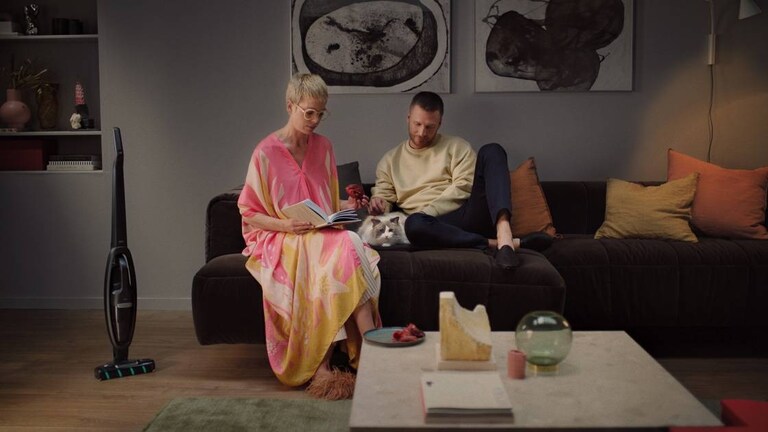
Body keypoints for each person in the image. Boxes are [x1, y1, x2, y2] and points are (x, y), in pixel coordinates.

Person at [238, 73, 381, 400]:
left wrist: (349, 206)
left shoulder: (324, 147)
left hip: (319, 232)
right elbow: (248, 211)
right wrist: (285, 226)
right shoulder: (265, 152)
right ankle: (368, 347)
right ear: (290, 106)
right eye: (309, 112)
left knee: (345, 246)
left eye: (321, 113)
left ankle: (327, 364)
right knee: (350, 246)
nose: (315, 120)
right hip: (281, 236)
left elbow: (327, 202)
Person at [369, 91, 550, 268]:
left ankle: (504, 233)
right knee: (413, 224)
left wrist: (428, 210)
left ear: (440, 123)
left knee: (492, 150)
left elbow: (464, 186)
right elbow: (384, 198)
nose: (422, 132)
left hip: (465, 214)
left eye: (430, 127)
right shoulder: (390, 160)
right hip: (428, 226)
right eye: (417, 124)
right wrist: (379, 204)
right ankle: (501, 244)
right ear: (408, 118)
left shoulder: (457, 147)